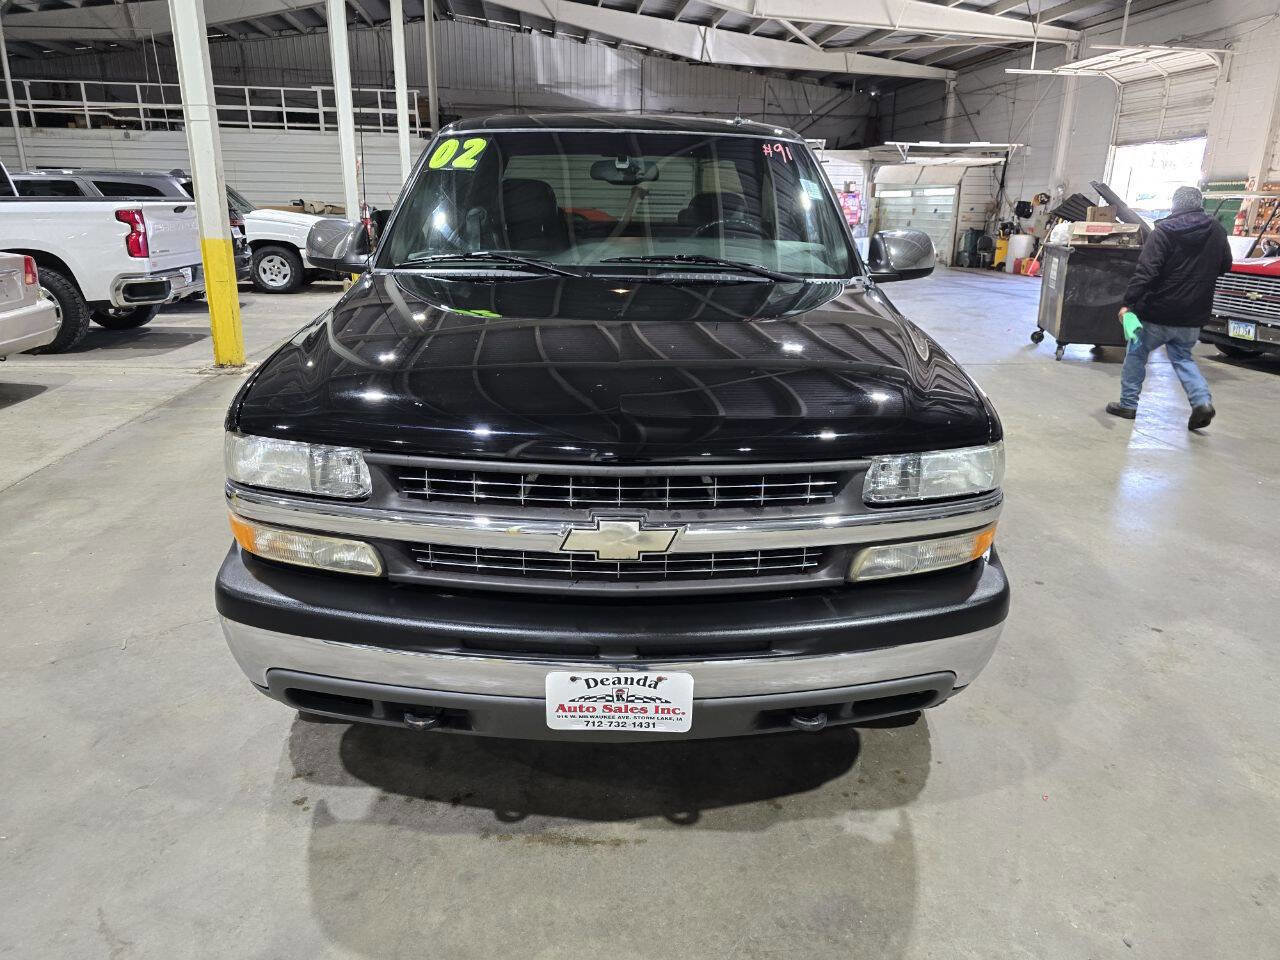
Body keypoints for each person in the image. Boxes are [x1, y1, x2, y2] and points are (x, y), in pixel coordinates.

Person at [1106, 185, 1233, 430]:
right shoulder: (1217, 230)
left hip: (1157, 311)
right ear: (1199, 204)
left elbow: (1147, 271)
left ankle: (1128, 404)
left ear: (1174, 205)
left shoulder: (1164, 230)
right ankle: (1202, 402)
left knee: (1136, 355)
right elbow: (1225, 265)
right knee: (1183, 357)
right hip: (1193, 313)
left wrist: (1128, 303)